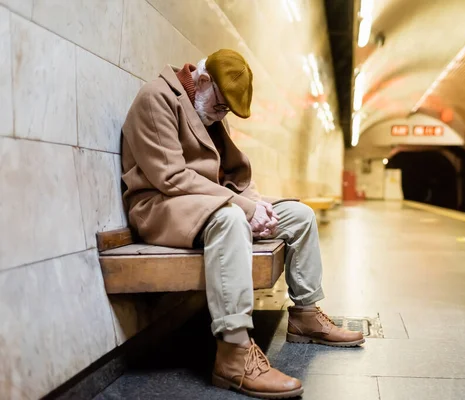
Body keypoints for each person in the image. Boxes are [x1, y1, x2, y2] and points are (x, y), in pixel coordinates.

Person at [120, 49, 364, 399]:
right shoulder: (156, 98)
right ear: (203, 80)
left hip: (209, 202)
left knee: (299, 216)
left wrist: (257, 204)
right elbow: (170, 177)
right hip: (161, 206)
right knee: (232, 218)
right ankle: (233, 353)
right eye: (221, 107)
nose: (222, 115)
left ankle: (305, 317)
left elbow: (233, 175)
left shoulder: (209, 107)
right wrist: (241, 206)